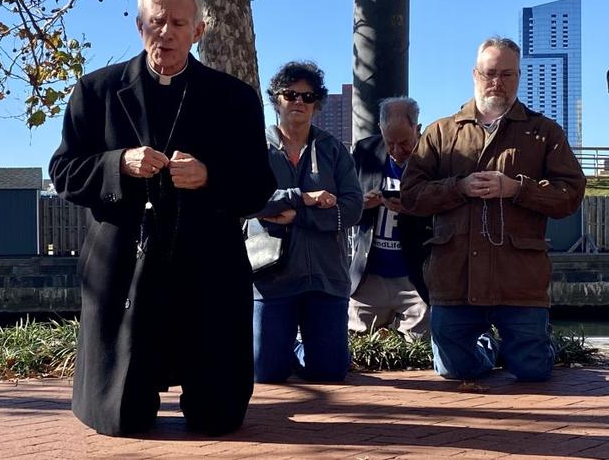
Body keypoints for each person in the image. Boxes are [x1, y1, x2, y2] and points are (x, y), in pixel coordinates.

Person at [49, 0, 276, 436]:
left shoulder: (234, 99)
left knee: (217, 421)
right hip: (124, 270)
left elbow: (258, 187)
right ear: (139, 26)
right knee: (122, 422)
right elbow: (64, 173)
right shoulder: (96, 92)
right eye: (156, 22)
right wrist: (118, 164)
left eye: (177, 23)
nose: (165, 33)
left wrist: (209, 177)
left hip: (206, 268)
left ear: (199, 30)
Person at [401, 37, 586, 382]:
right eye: (489, 73)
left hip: (519, 279)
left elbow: (571, 194)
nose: (497, 82)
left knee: (532, 371)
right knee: (453, 370)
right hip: (455, 276)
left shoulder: (544, 132)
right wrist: (459, 187)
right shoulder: (441, 132)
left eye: (507, 74)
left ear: (519, 76)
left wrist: (518, 189)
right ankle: (489, 348)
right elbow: (411, 197)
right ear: (474, 74)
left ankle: (532, 348)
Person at [251, 61, 362, 383]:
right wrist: (302, 196)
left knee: (329, 373)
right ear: (276, 100)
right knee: (266, 374)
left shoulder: (334, 150)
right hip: (271, 276)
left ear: (317, 103)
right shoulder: (256, 147)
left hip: (326, 276)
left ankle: (302, 350)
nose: (299, 102)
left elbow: (353, 208)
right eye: (290, 94)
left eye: (308, 96)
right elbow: (247, 201)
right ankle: (283, 349)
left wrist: (298, 215)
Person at [348, 97, 431, 338]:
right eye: (389, 142)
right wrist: (361, 204)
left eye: (404, 143)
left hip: (415, 278)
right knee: (355, 346)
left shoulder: (433, 158)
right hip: (369, 275)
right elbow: (345, 203)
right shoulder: (364, 152)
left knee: (421, 350)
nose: (396, 151)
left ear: (418, 128)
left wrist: (412, 207)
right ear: (380, 132)